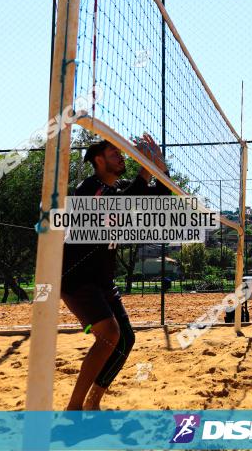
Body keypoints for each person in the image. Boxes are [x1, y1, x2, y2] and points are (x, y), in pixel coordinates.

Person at [60, 134, 171, 411]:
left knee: (125, 340)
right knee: (110, 333)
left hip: (102, 280)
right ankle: (73, 408)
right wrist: (145, 167)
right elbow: (122, 202)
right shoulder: (89, 188)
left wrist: (159, 165)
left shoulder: (118, 187)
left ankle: (93, 402)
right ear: (99, 159)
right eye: (115, 153)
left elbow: (162, 196)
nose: (122, 157)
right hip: (76, 278)